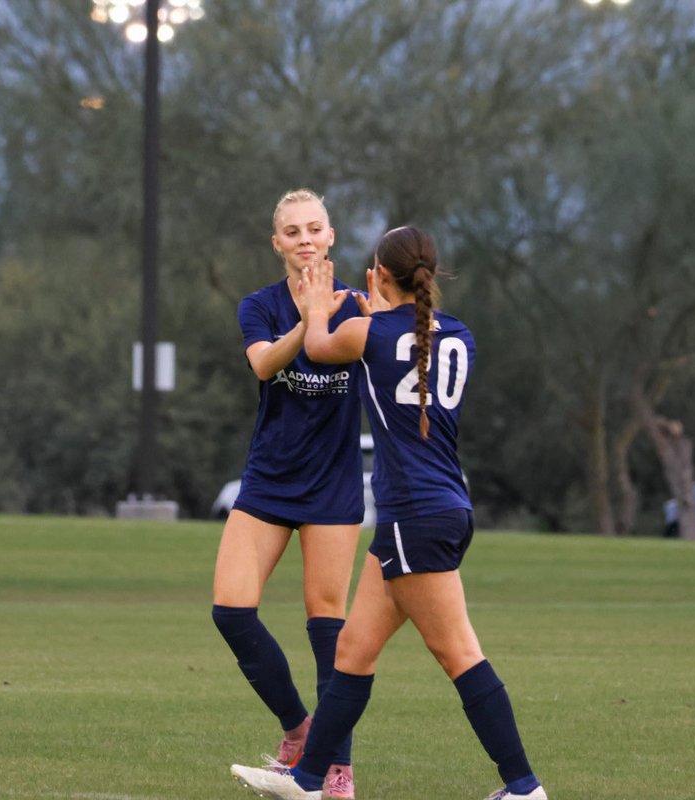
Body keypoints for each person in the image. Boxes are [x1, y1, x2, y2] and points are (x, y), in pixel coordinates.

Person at [230, 226, 547, 800]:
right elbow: (406, 353)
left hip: (412, 517)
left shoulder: (366, 332)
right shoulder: (462, 336)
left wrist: (316, 307)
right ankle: (307, 782)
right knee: (352, 652)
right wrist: (375, 309)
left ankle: (523, 788)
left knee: (459, 654)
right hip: (444, 507)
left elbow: (317, 346)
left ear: (378, 275)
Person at [212, 189, 364, 799]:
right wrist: (307, 319)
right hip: (269, 482)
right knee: (231, 611)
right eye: (292, 231)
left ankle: (337, 773)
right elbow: (263, 365)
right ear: (276, 243)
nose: (305, 239)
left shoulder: (359, 306)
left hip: (333, 486)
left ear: (331, 237)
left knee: (329, 631)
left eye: (314, 229)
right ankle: (300, 732)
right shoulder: (259, 306)